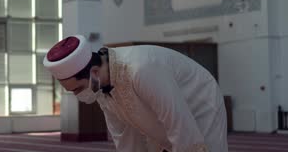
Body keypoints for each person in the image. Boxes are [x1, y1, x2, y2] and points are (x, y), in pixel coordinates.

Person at [43, 35, 228, 152]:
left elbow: (180, 124)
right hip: (160, 113)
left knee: (196, 145)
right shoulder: (100, 86)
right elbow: (124, 137)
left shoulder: (141, 70)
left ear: (94, 73)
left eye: (77, 89)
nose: (78, 96)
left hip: (198, 100)